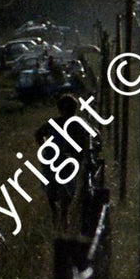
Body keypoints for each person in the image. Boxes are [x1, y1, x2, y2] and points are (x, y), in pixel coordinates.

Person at [34, 94, 85, 231]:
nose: (68, 113)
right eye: (65, 109)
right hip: (52, 162)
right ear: (60, 110)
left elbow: (85, 141)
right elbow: (39, 133)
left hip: (67, 164)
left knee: (66, 192)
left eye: (71, 110)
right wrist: (45, 148)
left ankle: (63, 216)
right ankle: (55, 214)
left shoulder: (77, 125)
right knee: (51, 191)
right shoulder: (54, 123)